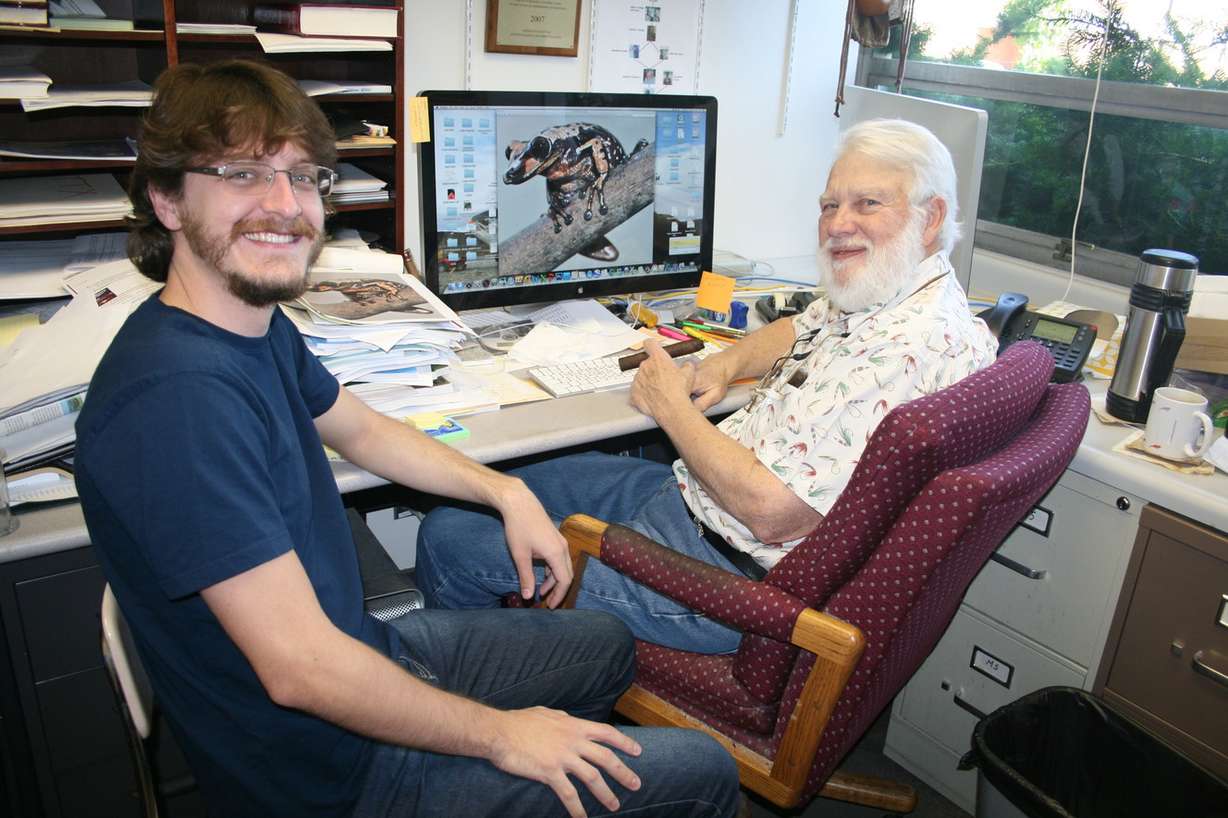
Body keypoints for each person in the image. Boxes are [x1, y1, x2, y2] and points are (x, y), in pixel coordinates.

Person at [74, 60, 739, 818]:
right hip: (334, 776)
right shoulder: (176, 400)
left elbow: (362, 429)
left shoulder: (246, 324)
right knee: (703, 771)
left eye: (304, 177)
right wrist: (502, 737)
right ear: (166, 199)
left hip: (366, 654)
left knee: (603, 645)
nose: (285, 205)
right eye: (242, 174)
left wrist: (505, 490)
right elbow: (301, 671)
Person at [417, 119, 998, 655]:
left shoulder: (904, 347)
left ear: (931, 217)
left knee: (451, 533)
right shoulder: (900, 298)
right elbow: (803, 324)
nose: (839, 224)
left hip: (722, 578)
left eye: (868, 203)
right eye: (830, 205)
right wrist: (722, 366)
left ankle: (479, 698)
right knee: (498, 486)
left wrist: (671, 408)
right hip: (697, 504)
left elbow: (772, 514)